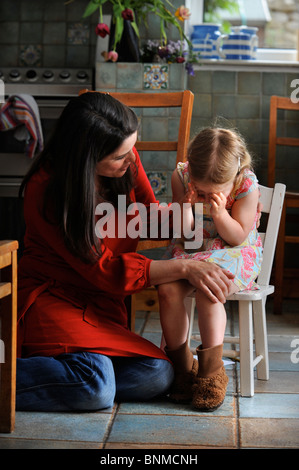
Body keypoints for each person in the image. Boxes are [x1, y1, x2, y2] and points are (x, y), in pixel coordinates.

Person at [16, 93, 235, 412]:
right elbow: (105, 270)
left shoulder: (124, 164)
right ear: (86, 158)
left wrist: (190, 204)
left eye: (132, 148)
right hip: (53, 300)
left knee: (158, 374)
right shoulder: (46, 189)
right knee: (95, 387)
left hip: (101, 305)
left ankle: (76, 366)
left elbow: (153, 221)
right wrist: (185, 268)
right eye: (120, 156)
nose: (132, 160)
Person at [158, 127, 263, 412]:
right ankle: (182, 369)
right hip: (191, 247)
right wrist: (189, 206)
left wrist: (218, 213)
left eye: (212, 194)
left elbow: (238, 236)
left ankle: (211, 372)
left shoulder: (246, 185)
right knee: (167, 288)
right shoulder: (182, 176)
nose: (204, 197)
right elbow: (187, 236)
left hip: (232, 251)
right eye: (201, 191)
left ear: (233, 179)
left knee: (209, 288)